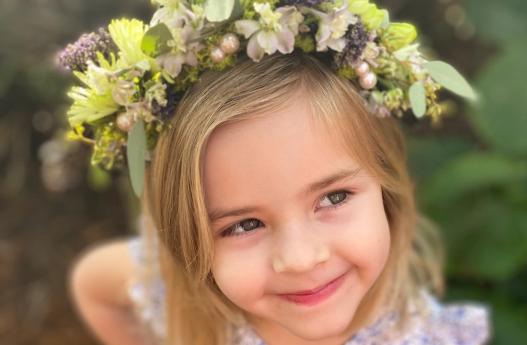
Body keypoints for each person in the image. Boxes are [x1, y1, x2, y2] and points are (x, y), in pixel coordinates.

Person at [62, 2, 489, 345]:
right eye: (244, 225)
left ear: (386, 187)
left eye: (334, 198)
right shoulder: (177, 292)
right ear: (187, 238)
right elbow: (92, 284)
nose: (301, 259)